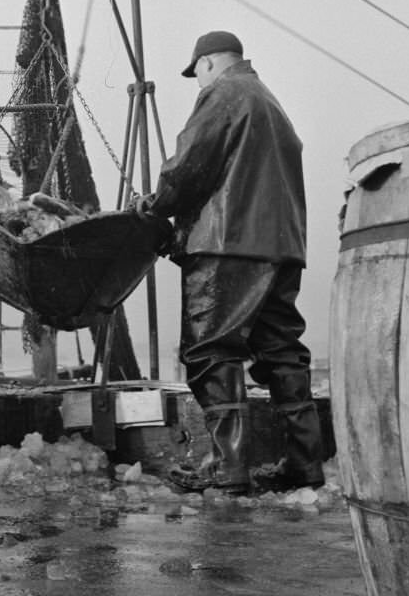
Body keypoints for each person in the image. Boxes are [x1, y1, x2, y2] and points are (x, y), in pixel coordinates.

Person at [136, 30, 324, 494]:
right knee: (282, 352)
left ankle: (228, 469)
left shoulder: (223, 93)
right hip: (282, 248)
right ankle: (306, 465)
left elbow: (189, 166)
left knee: (210, 352)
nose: (197, 82)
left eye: (196, 73)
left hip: (228, 244)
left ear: (206, 63)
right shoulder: (270, 103)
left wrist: (156, 205)